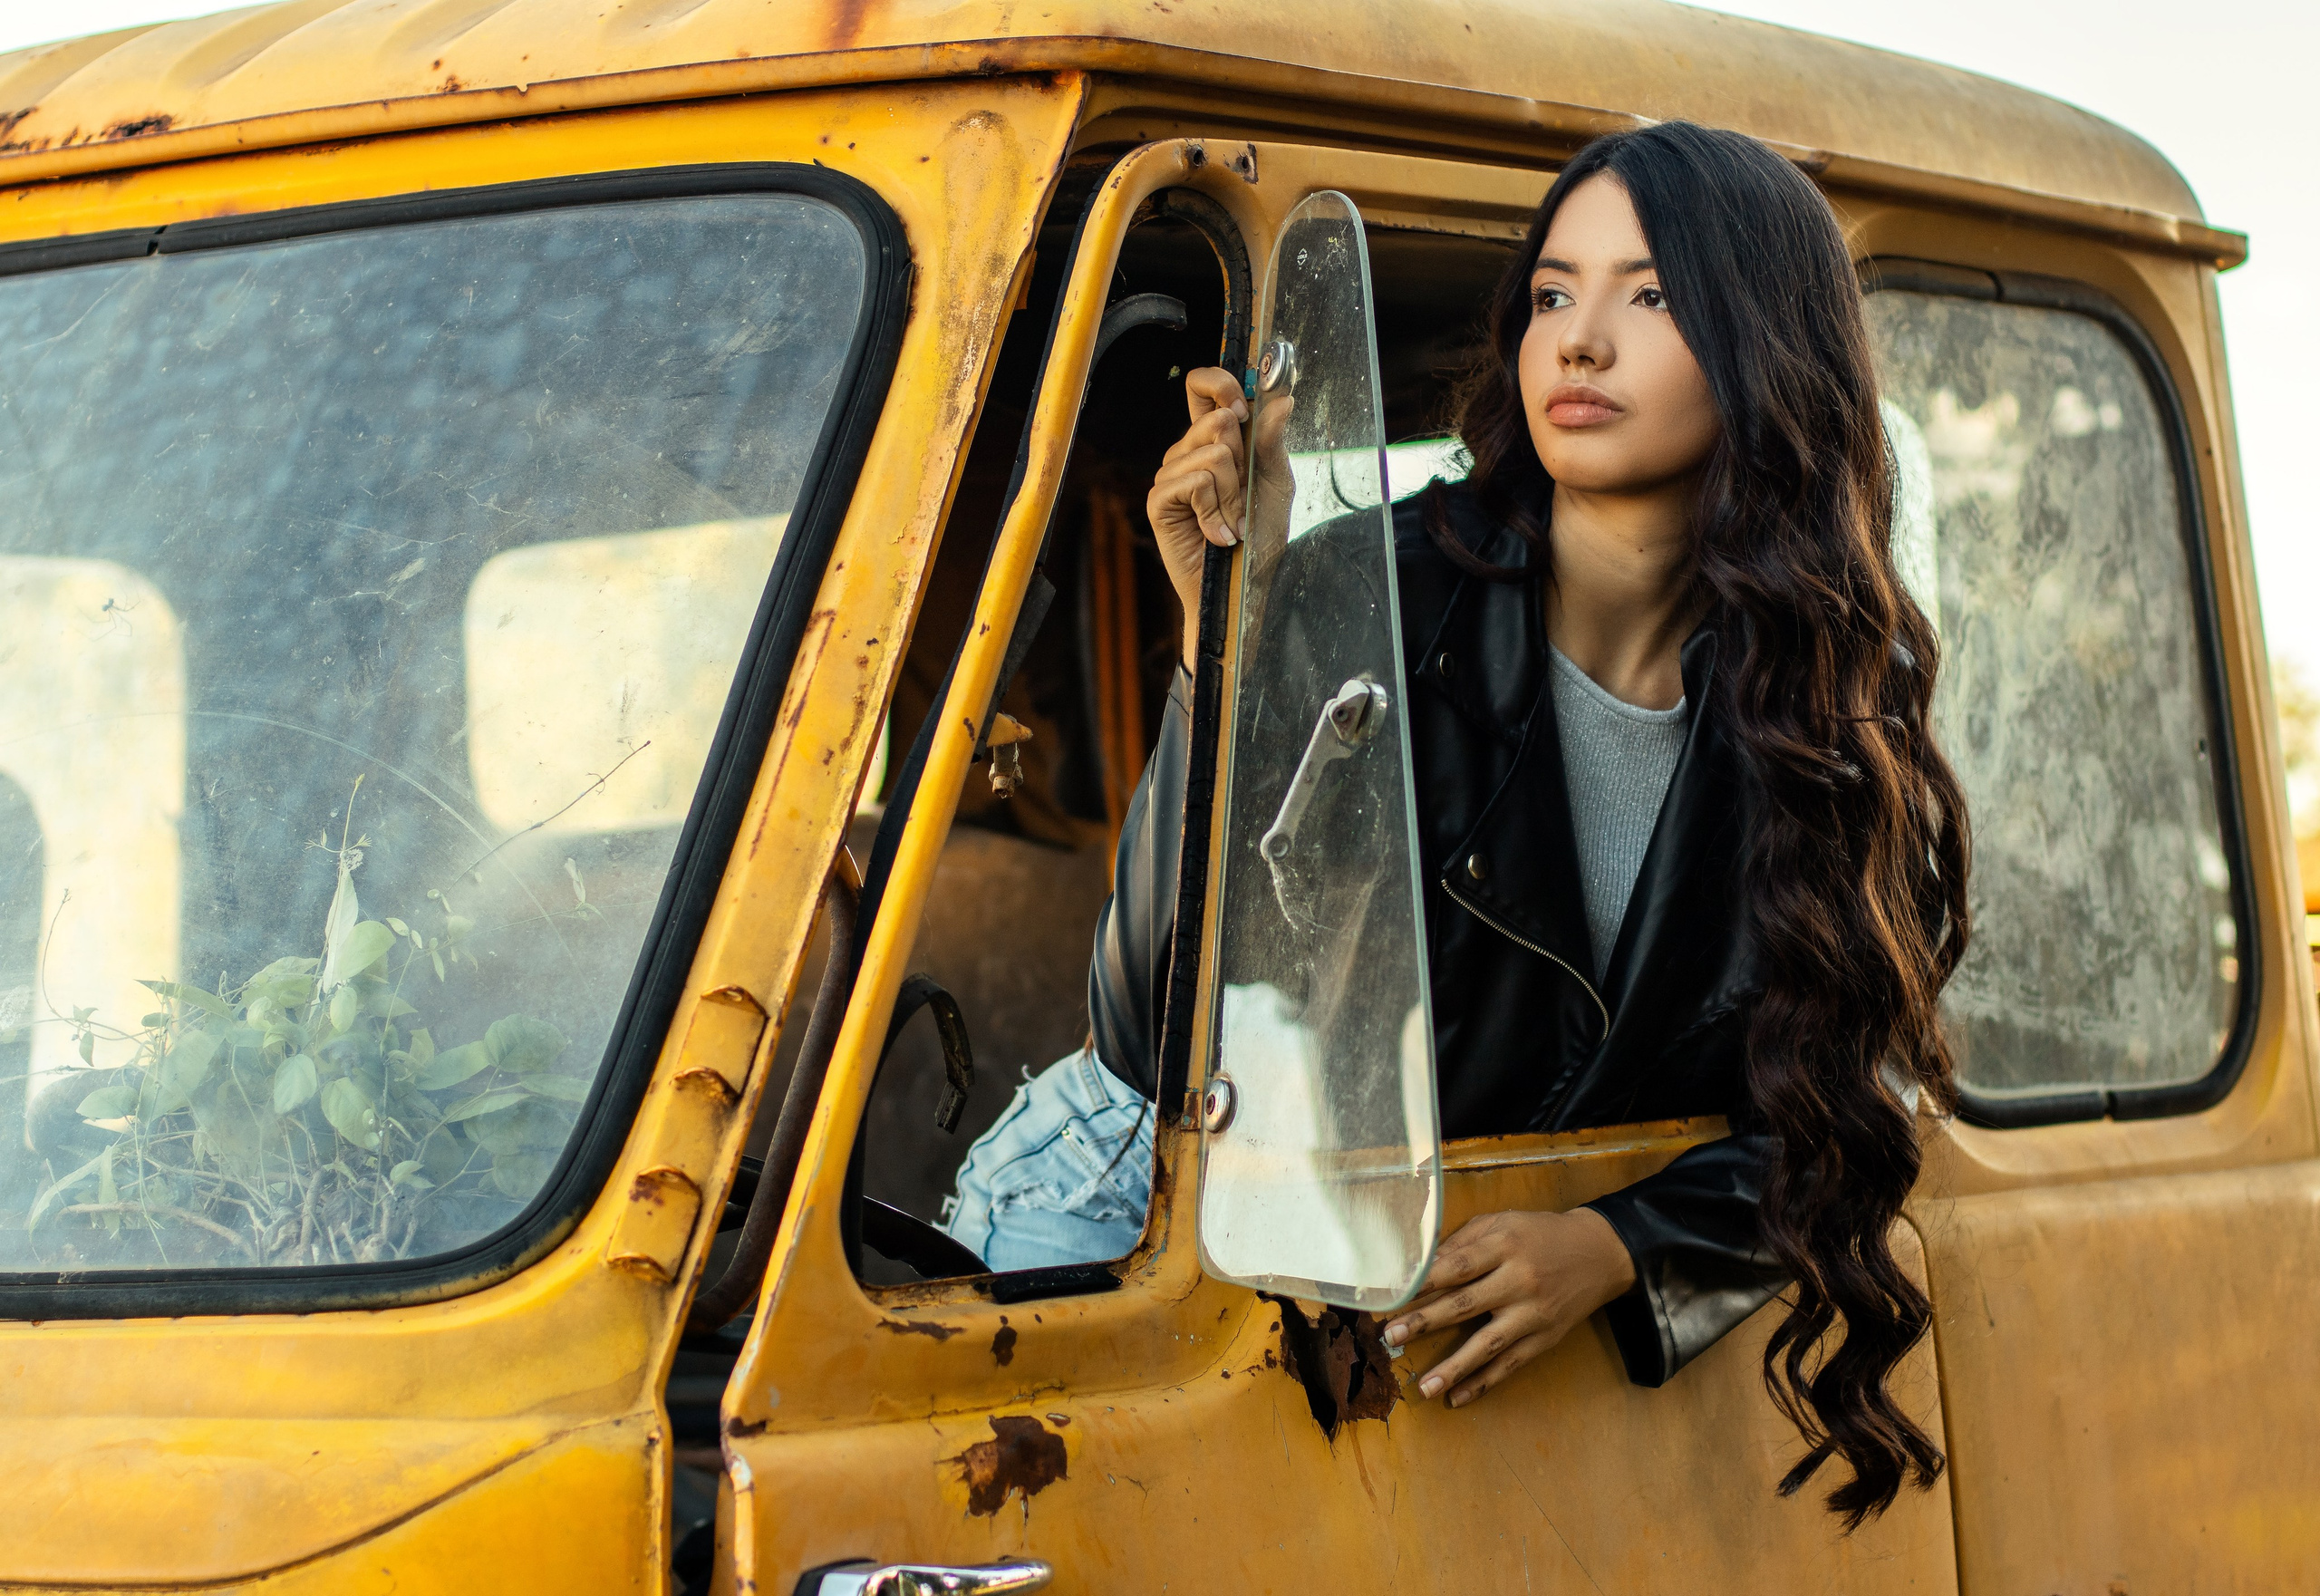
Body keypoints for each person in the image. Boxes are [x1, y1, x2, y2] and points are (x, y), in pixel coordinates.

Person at [942, 121, 1970, 1524]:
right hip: (1120, 1205)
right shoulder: (1381, 594)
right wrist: (1225, 646)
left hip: (1406, 1289)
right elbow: (1159, 1027)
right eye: (1553, 293)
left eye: (1649, 295)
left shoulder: (1820, 698)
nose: (1581, 343)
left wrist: (1619, 1244)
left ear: (1768, 344)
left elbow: (1859, 1092)